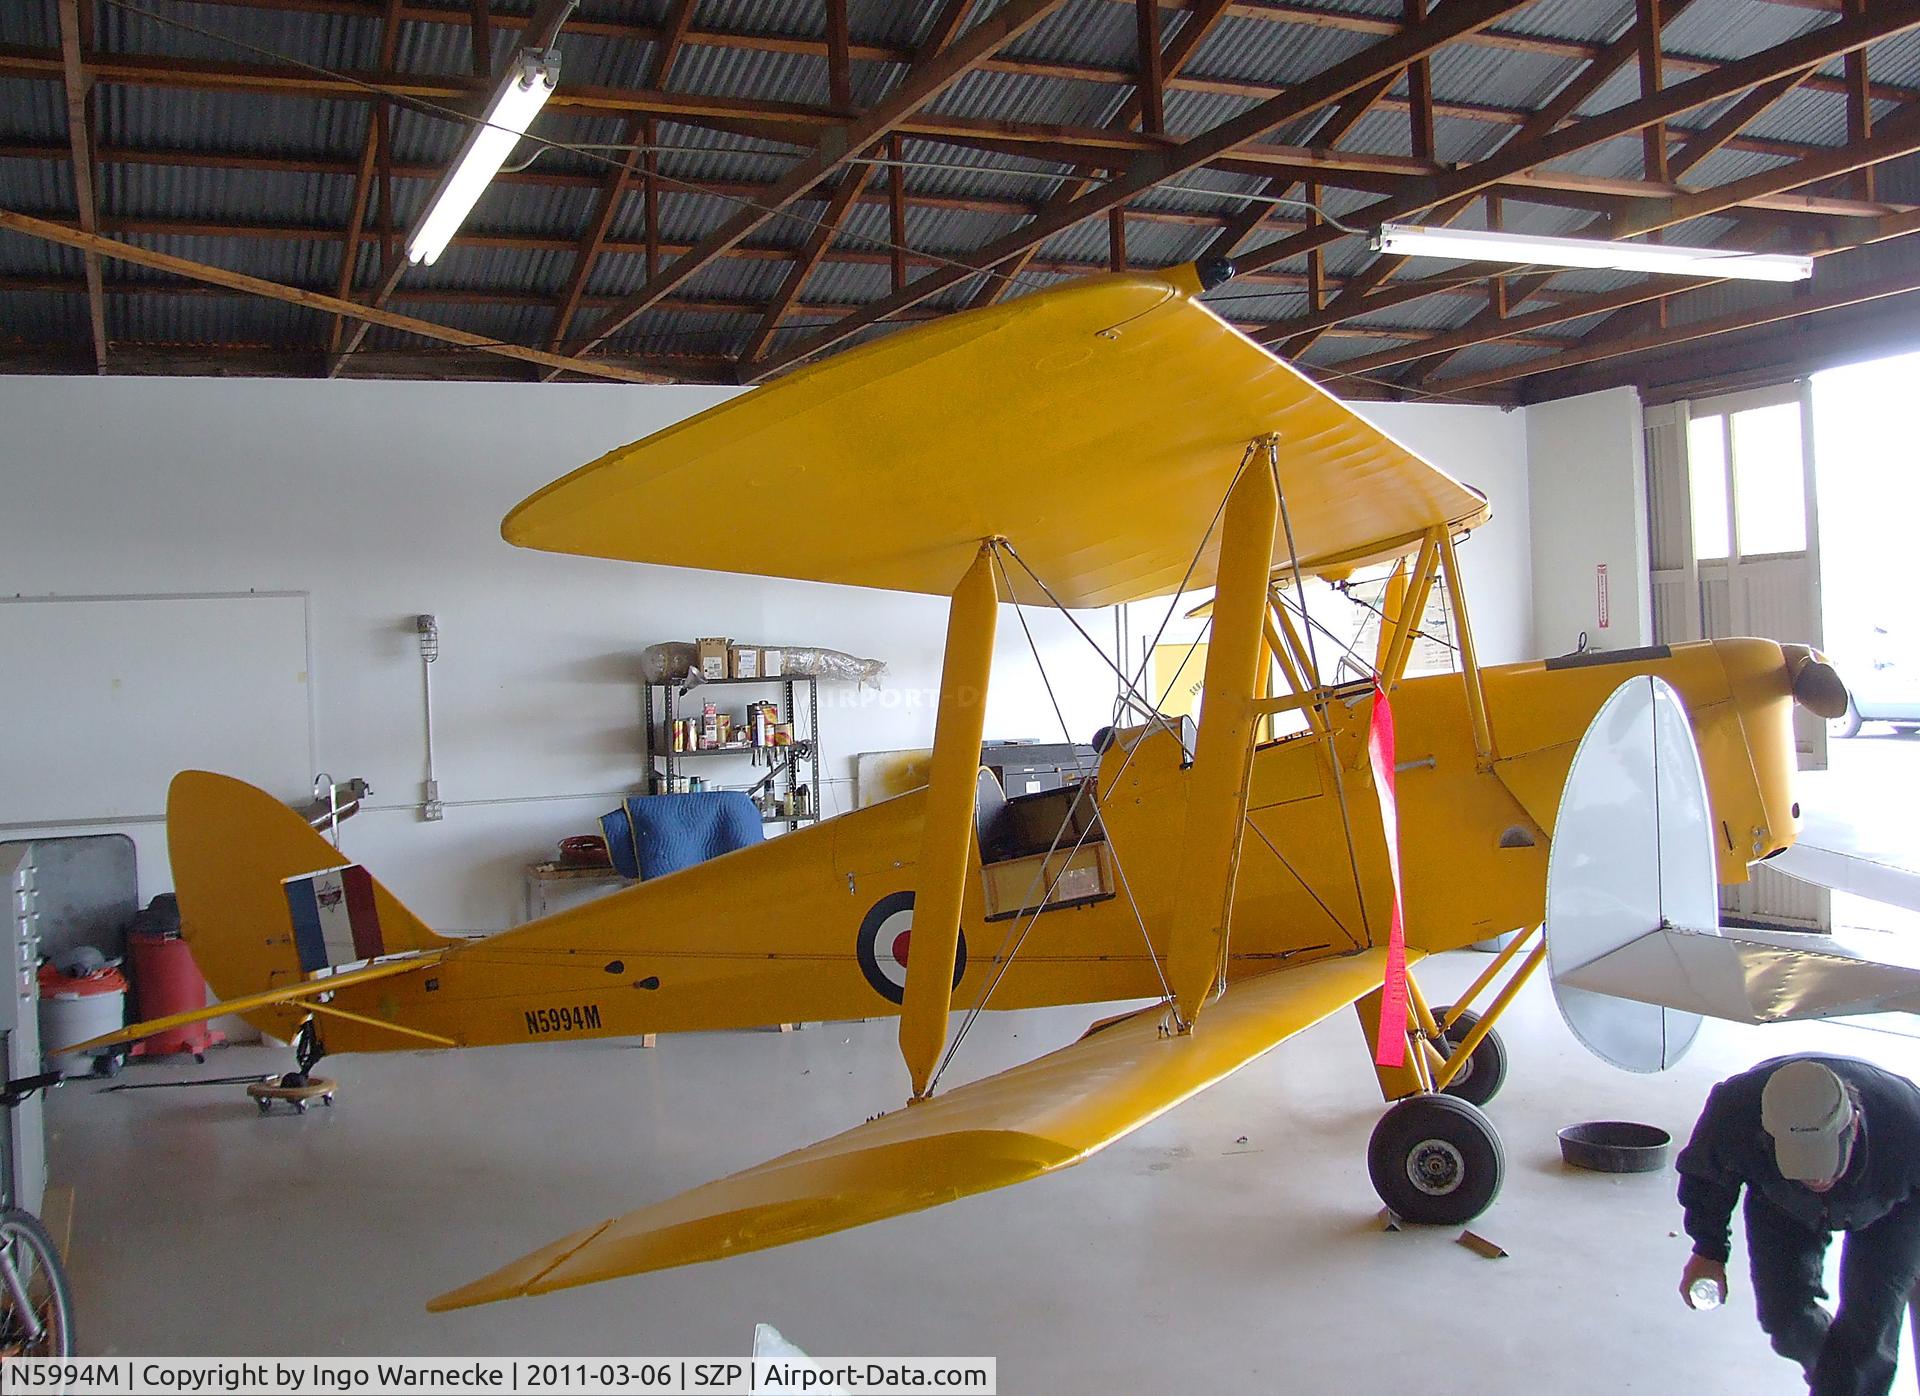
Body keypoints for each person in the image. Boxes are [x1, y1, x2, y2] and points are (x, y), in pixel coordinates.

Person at [1676, 1054, 1920, 1396]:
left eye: (1825, 1164)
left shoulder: (1909, 1124)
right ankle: (1836, 1378)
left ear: (1851, 1124)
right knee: (1784, 1318)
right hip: (1782, 1201)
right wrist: (1708, 1249)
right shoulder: (1734, 1112)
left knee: (1869, 1332)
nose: (1817, 1178)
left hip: (1893, 1209)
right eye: (1802, 1166)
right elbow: (1707, 1179)